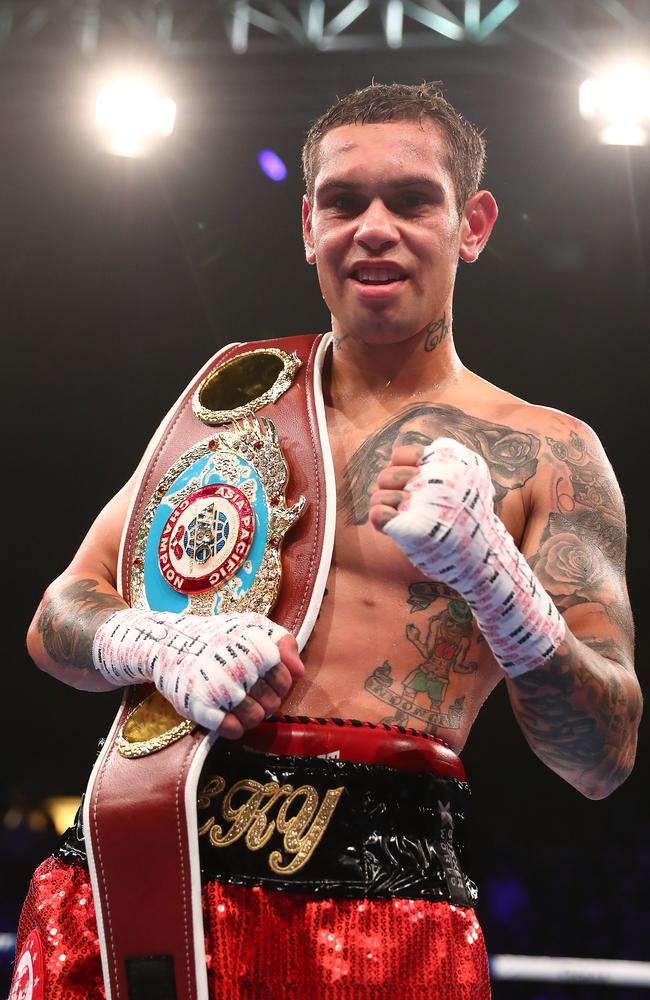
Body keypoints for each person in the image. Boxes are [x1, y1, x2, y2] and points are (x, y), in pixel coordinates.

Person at [13, 81, 641, 999]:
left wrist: (498, 583)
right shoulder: (232, 405)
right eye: (344, 202)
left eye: (412, 199)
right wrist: (154, 638)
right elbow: (57, 619)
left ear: (473, 223)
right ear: (308, 225)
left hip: (380, 918)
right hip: (134, 875)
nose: (374, 226)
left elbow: (603, 757)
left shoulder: (549, 454)